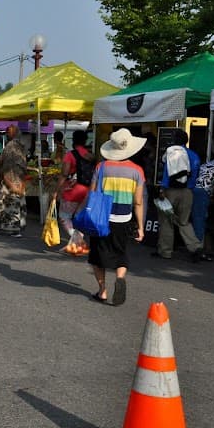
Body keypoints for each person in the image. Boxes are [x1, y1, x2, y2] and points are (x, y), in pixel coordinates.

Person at [87, 129, 146, 306]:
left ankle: (102, 291)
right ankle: (120, 278)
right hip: (123, 218)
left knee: (97, 256)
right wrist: (140, 227)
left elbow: (92, 192)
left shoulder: (101, 167)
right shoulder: (137, 171)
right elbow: (138, 202)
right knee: (120, 253)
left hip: (101, 219)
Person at [155, 129, 207, 261]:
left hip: (171, 191)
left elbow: (166, 174)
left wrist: (162, 189)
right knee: (184, 221)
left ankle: (165, 251)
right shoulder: (194, 156)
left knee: (166, 222)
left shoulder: (172, 153)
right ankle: (195, 247)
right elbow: (195, 174)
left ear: (174, 140)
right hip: (188, 192)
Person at [0, 125, 27, 237]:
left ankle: (3, 228)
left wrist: (3, 177)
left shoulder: (10, 146)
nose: (6, 134)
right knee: (16, 203)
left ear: (12, 133)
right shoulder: (21, 146)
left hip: (10, 179)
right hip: (19, 179)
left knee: (5, 204)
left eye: (8, 132)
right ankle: (15, 228)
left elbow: (6, 165)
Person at [56, 130, 95, 243]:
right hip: (87, 191)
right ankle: (76, 244)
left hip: (72, 191)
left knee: (64, 217)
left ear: (73, 140)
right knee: (79, 218)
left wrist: (57, 190)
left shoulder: (70, 155)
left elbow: (64, 174)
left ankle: (77, 241)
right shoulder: (91, 156)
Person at [192, 142, 214, 243]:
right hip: (203, 192)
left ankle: (198, 244)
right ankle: (198, 246)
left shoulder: (212, 162)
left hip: (195, 190)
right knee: (200, 220)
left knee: (197, 218)